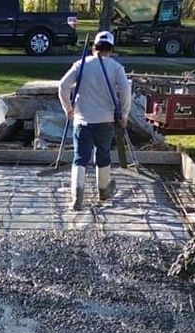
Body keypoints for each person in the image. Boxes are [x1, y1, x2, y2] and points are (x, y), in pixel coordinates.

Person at [57, 31, 162, 211]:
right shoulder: (115, 67)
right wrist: (124, 114)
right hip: (105, 121)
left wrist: (68, 108)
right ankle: (104, 190)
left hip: (82, 121)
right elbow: (125, 92)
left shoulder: (80, 65)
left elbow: (63, 86)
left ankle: (77, 196)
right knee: (103, 154)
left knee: (80, 157)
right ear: (111, 49)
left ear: (93, 47)